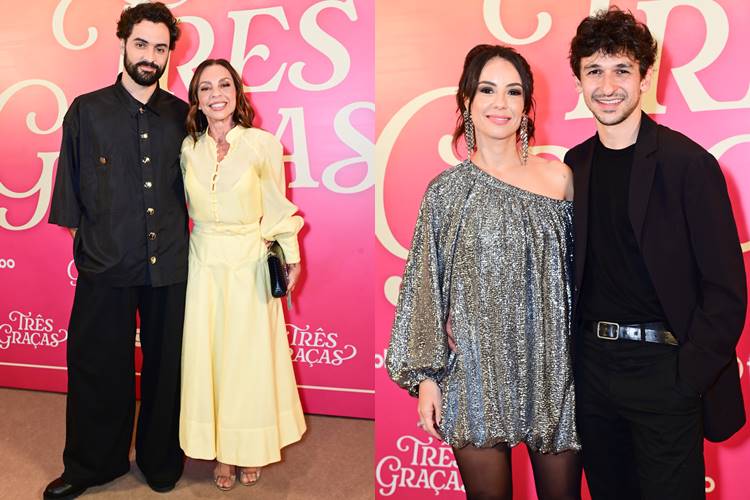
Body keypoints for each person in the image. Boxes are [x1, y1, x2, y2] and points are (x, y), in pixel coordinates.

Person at [565, 7, 747, 500]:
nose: (607, 85)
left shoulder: (689, 164)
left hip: (665, 371)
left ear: (645, 78)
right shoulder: (574, 166)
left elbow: (726, 290)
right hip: (592, 371)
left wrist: (687, 377)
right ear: (579, 81)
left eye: (621, 70)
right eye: (594, 71)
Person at [387, 44, 581, 500]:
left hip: (553, 370)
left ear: (526, 105)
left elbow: (586, 275)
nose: (501, 103)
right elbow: (424, 289)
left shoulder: (561, 179)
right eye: (487, 90)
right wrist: (427, 378)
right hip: (475, 374)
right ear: (467, 101)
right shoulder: (446, 192)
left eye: (513, 92)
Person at [45, 3, 188, 499]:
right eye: (141, 44)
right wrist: (96, 248)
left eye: (160, 48)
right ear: (124, 43)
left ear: (169, 53)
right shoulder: (86, 111)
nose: (150, 56)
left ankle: (160, 459)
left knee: (167, 369)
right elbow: (69, 194)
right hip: (105, 264)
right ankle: (92, 465)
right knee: (97, 366)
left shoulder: (182, 115)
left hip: (170, 265)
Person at [178, 58, 306, 491]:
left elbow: (276, 204)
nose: (216, 94)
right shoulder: (188, 149)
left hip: (249, 261)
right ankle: (221, 452)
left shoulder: (262, 144)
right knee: (210, 358)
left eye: (224, 85)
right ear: (197, 99)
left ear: (237, 92)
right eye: (206, 87)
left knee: (247, 361)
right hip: (203, 262)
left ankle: (247, 448)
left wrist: (291, 256)